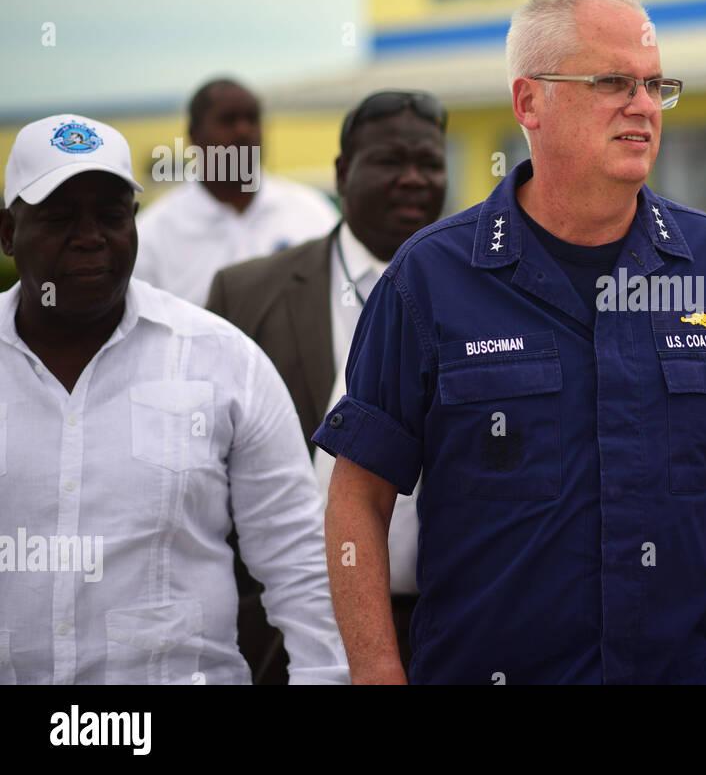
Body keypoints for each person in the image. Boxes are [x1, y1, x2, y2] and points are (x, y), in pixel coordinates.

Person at [314, 0, 706, 685]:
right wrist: (375, 672)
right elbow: (357, 495)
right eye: (612, 82)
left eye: (653, 85)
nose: (642, 106)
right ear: (529, 102)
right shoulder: (430, 278)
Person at [0, 114, 348, 684]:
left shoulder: (224, 362)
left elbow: (301, 566)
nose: (89, 237)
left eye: (111, 216)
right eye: (60, 218)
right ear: (7, 233)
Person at [207, 90, 447, 680]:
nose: (413, 179)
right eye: (391, 161)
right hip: (286, 634)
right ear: (343, 172)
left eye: (430, 163)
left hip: (450, 631)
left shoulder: (496, 293)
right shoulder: (246, 295)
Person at [134, 78, 339, 305]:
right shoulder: (152, 234)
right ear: (194, 134)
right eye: (227, 120)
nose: (243, 130)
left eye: (252, 119)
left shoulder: (312, 213)